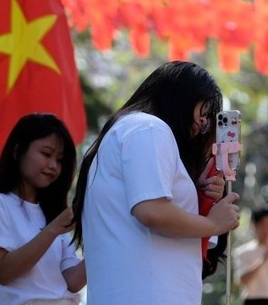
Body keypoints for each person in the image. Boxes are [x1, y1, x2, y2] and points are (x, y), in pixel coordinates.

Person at [71, 61, 241, 304]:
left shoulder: (129, 130)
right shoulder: (149, 127)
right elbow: (152, 211)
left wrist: (197, 194)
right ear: (180, 97)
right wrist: (213, 224)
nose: (203, 124)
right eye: (201, 113)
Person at [0, 113, 85, 305]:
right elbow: (4, 271)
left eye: (60, 160)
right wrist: (52, 230)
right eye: (46, 154)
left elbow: (72, 281)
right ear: (17, 151)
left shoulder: (54, 215)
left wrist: (107, 237)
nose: (53, 165)